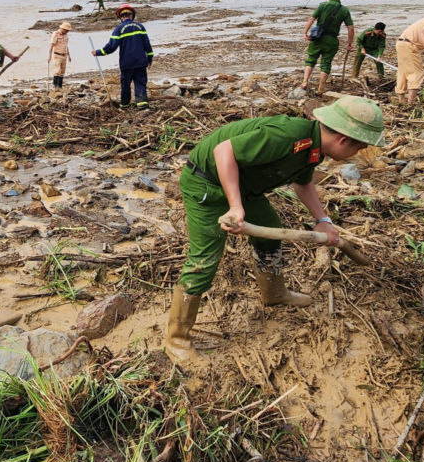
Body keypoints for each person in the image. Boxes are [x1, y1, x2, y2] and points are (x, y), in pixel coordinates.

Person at [164, 96, 385, 367]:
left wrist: (323, 219)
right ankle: (176, 340)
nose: (358, 153)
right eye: (360, 148)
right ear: (344, 141)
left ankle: (274, 294)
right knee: (204, 261)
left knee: (270, 231)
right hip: (207, 185)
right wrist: (235, 206)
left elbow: (302, 183)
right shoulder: (288, 136)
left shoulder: (313, 147)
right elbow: (224, 152)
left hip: (245, 186)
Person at [93, 4, 153, 110]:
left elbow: (111, 47)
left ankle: (125, 105)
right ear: (131, 15)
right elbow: (147, 45)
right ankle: (142, 103)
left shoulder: (119, 29)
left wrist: (98, 52)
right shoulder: (140, 27)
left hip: (127, 63)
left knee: (125, 84)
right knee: (140, 82)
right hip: (140, 62)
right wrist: (149, 59)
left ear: (121, 17)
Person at [301, 0, 354, 95]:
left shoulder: (322, 6)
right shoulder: (344, 10)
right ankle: (321, 87)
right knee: (326, 63)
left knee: (311, 59)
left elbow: (311, 19)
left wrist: (305, 33)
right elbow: (351, 28)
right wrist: (349, 43)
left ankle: (305, 81)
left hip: (317, 38)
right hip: (332, 40)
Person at [49, 21, 72, 89]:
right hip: (57, 55)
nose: (67, 31)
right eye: (66, 30)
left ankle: (60, 86)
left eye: (68, 30)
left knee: (62, 71)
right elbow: (51, 45)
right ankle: (55, 86)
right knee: (57, 71)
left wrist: (69, 55)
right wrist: (49, 56)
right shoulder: (55, 34)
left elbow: (66, 46)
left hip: (64, 55)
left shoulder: (66, 35)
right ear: (63, 29)